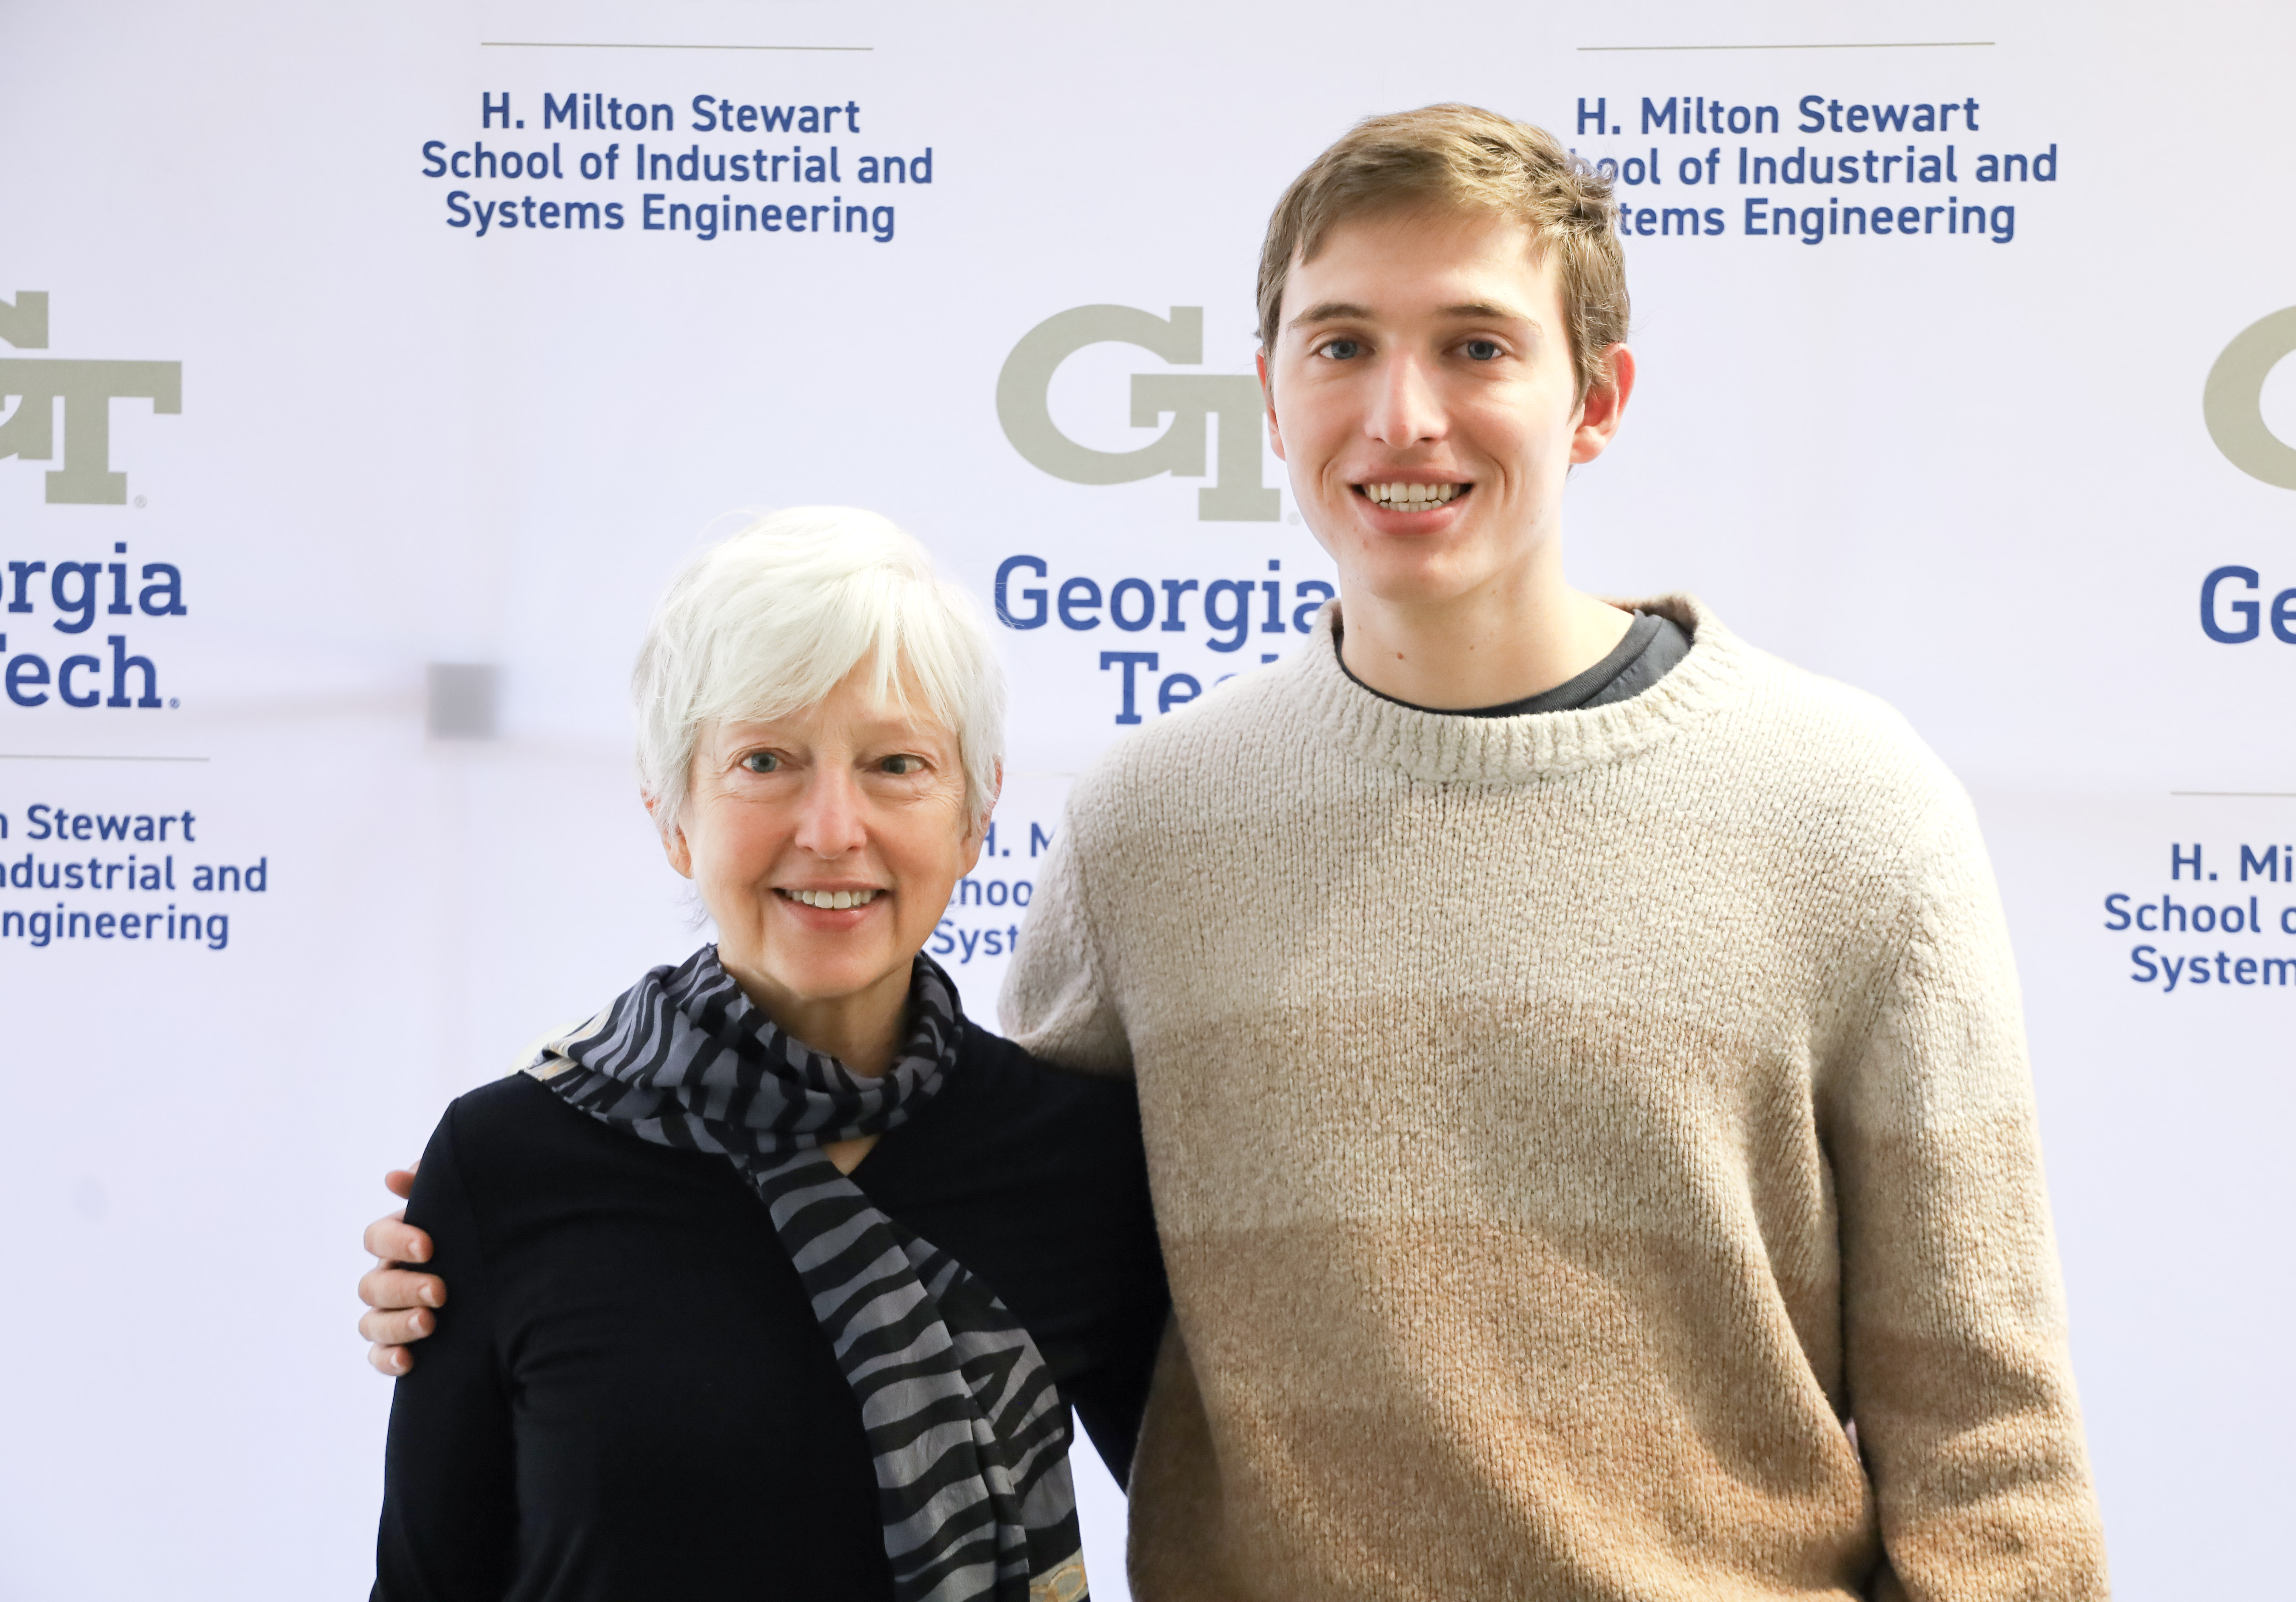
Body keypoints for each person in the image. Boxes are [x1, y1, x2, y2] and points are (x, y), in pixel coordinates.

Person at [367, 107, 2109, 1599]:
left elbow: (1989, 1436)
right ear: (1270, 396)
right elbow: (928, 1206)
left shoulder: (1851, 802)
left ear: (1597, 397)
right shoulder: (1151, 833)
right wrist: (488, 1260)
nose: (1402, 413)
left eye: (1478, 345)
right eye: (1342, 342)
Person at [370, 508, 1164, 1602]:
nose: (833, 828)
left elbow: (1221, 1524)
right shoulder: (506, 1158)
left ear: (975, 818)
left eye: (896, 764)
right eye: (764, 761)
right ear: (673, 814)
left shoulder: (1078, 1160)